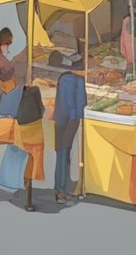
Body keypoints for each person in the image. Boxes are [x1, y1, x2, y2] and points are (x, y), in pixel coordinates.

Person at [53, 71, 86, 205]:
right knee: (63, 154)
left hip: (68, 119)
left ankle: (63, 188)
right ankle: (59, 190)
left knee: (65, 155)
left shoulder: (73, 78)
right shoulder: (69, 79)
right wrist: (74, 119)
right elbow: (70, 103)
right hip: (66, 121)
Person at [15, 86, 46, 212]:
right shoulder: (35, 90)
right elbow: (41, 109)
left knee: (23, 159)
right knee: (33, 160)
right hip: (35, 128)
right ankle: (29, 199)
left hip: (21, 130)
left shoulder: (12, 92)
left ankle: (23, 182)